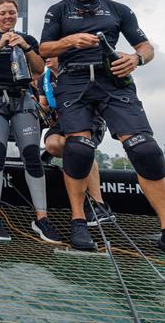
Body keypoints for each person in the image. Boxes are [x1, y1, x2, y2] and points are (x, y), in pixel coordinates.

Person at [39, 0, 165, 264]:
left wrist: (136, 59)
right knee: (78, 148)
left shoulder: (119, 9)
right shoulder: (58, 10)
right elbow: (44, 49)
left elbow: (146, 47)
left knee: (146, 150)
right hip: (74, 81)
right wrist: (69, 41)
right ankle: (79, 222)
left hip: (113, 80)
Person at [0, 0, 63, 243]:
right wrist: (1, 43)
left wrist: (25, 46)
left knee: (32, 155)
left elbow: (38, 70)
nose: (7, 17)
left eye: (11, 13)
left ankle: (41, 218)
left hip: (23, 99)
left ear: (16, 16)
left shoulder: (29, 40)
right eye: (3, 13)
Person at [39, 57, 115, 227]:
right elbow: (43, 104)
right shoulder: (43, 80)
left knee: (80, 146)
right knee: (53, 144)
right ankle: (72, 157)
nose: (47, 59)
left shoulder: (79, 72)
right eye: (45, 56)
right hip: (62, 123)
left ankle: (99, 206)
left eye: (53, 55)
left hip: (88, 120)